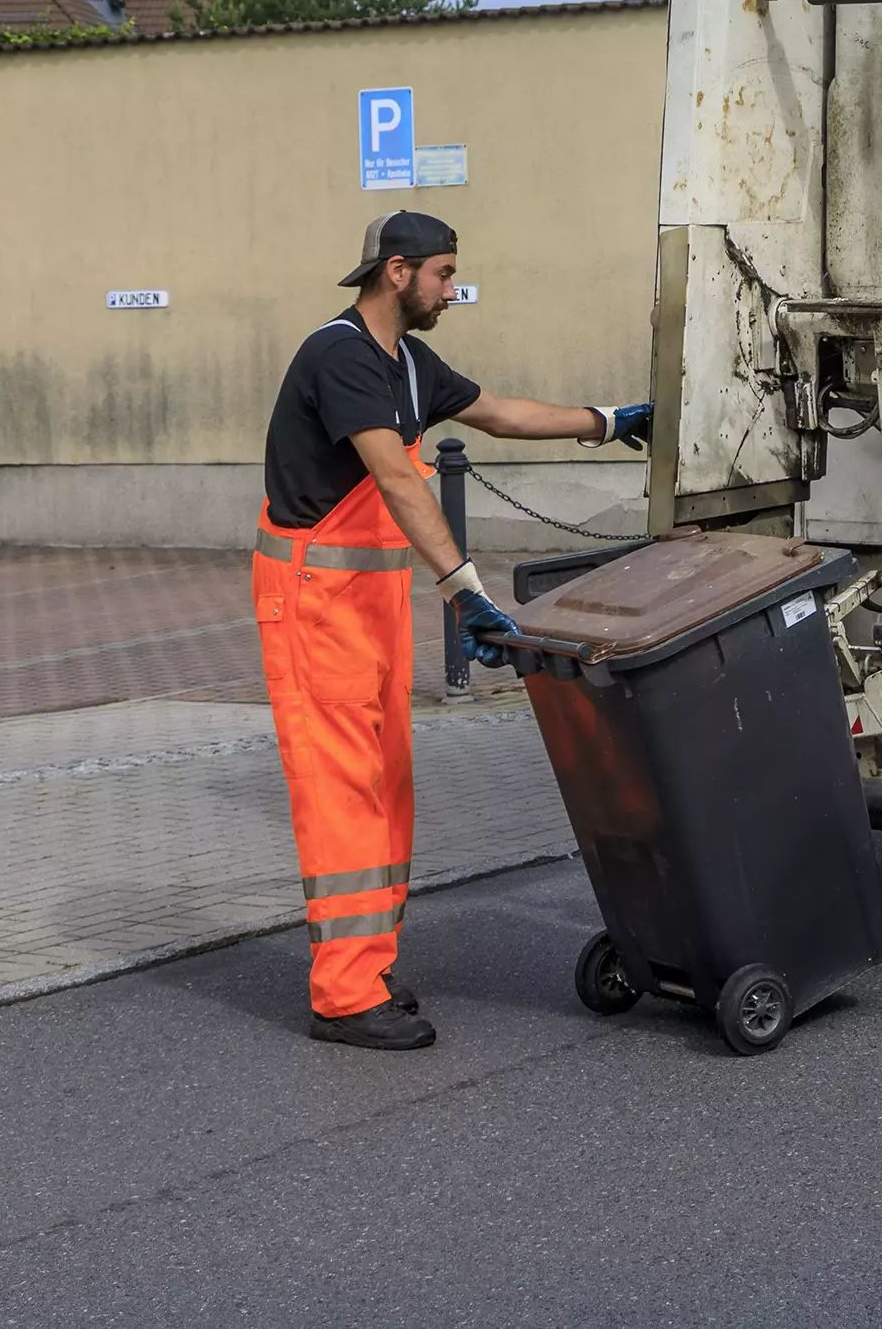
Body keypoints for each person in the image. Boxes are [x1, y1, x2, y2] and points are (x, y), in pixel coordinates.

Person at [255, 210, 652, 1050]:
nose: (451, 289)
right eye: (443, 274)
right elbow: (397, 479)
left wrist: (608, 420)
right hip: (313, 605)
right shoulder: (341, 355)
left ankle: (366, 966)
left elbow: (499, 412)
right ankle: (342, 995)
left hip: (362, 608)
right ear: (397, 271)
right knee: (343, 794)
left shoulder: (407, 361)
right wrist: (465, 589)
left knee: (387, 786)